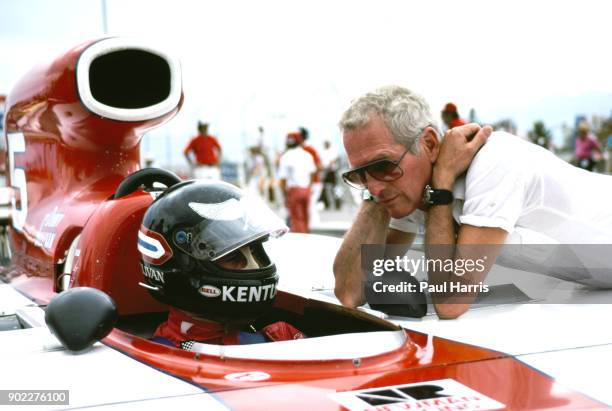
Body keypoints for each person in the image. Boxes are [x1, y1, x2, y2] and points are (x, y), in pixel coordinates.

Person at [333, 85, 612, 319]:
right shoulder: (404, 187)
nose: (375, 186)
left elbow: (451, 301)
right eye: (359, 174)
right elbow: (349, 292)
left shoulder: (494, 161)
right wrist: (373, 193)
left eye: (383, 165)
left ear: (429, 144)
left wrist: (441, 187)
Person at [138, 180, 305, 348]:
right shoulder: (149, 361)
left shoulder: (281, 338)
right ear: (182, 265)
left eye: (255, 252)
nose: (255, 267)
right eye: (232, 257)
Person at [277, 132, 316, 233]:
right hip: (306, 189)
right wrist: (309, 188)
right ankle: (308, 238)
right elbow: (312, 173)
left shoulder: (285, 157)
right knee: (306, 218)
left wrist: (285, 196)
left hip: (294, 190)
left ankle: (302, 243)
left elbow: (282, 180)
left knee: (297, 220)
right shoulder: (307, 155)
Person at [299, 127, 323, 224]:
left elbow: (318, 166)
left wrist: (310, 181)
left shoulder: (309, 149)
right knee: (309, 205)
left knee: (311, 205)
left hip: (313, 183)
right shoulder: (302, 149)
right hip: (307, 183)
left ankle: (314, 225)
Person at [319, 140, 341, 210]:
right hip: (325, 171)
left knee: (334, 188)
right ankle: (326, 203)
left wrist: (329, 167)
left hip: (332, 172)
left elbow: (333, 160)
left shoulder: (332, 151)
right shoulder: (323, 152)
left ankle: (338, 203)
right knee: (323, 188)